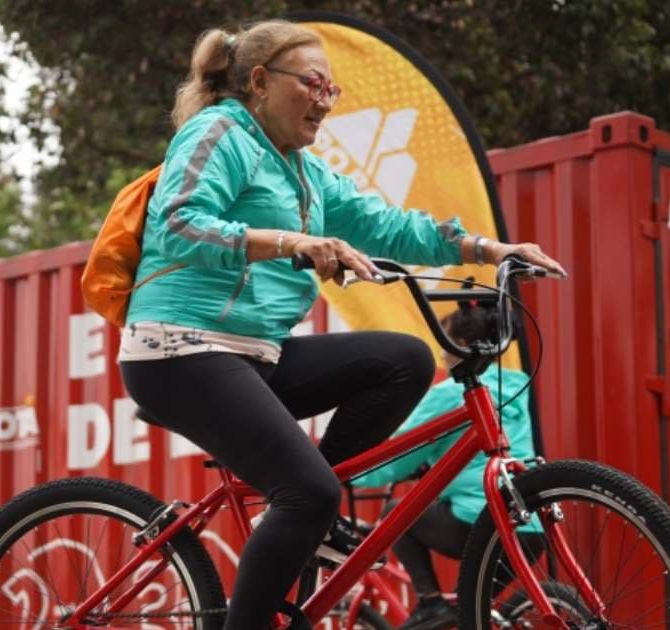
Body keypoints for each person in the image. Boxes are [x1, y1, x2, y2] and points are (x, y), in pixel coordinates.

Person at [117, 20, 566, 630]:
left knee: (403, 360)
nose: (327, 98)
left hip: (256, 354)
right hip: (178, 349)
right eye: (313, 83)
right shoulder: (219, 131)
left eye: (333, 88)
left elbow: (389, 226)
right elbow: (178, 224)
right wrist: (291, 241)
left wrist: (492, 250)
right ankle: (303, 524)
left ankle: (314, 521)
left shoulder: (308, 172)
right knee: (309, 491)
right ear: (259, 81)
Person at [352, 296, 542, 630]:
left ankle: (429, 602)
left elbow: (398, 455)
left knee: (396, 514)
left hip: (480, 522)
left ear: (464, 347)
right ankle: (448, 613)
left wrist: (348, 474)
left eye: (446, 343)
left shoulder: (453, 393)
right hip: (530, 528)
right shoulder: (515, 385)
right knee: (467, 616)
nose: (441, 353)